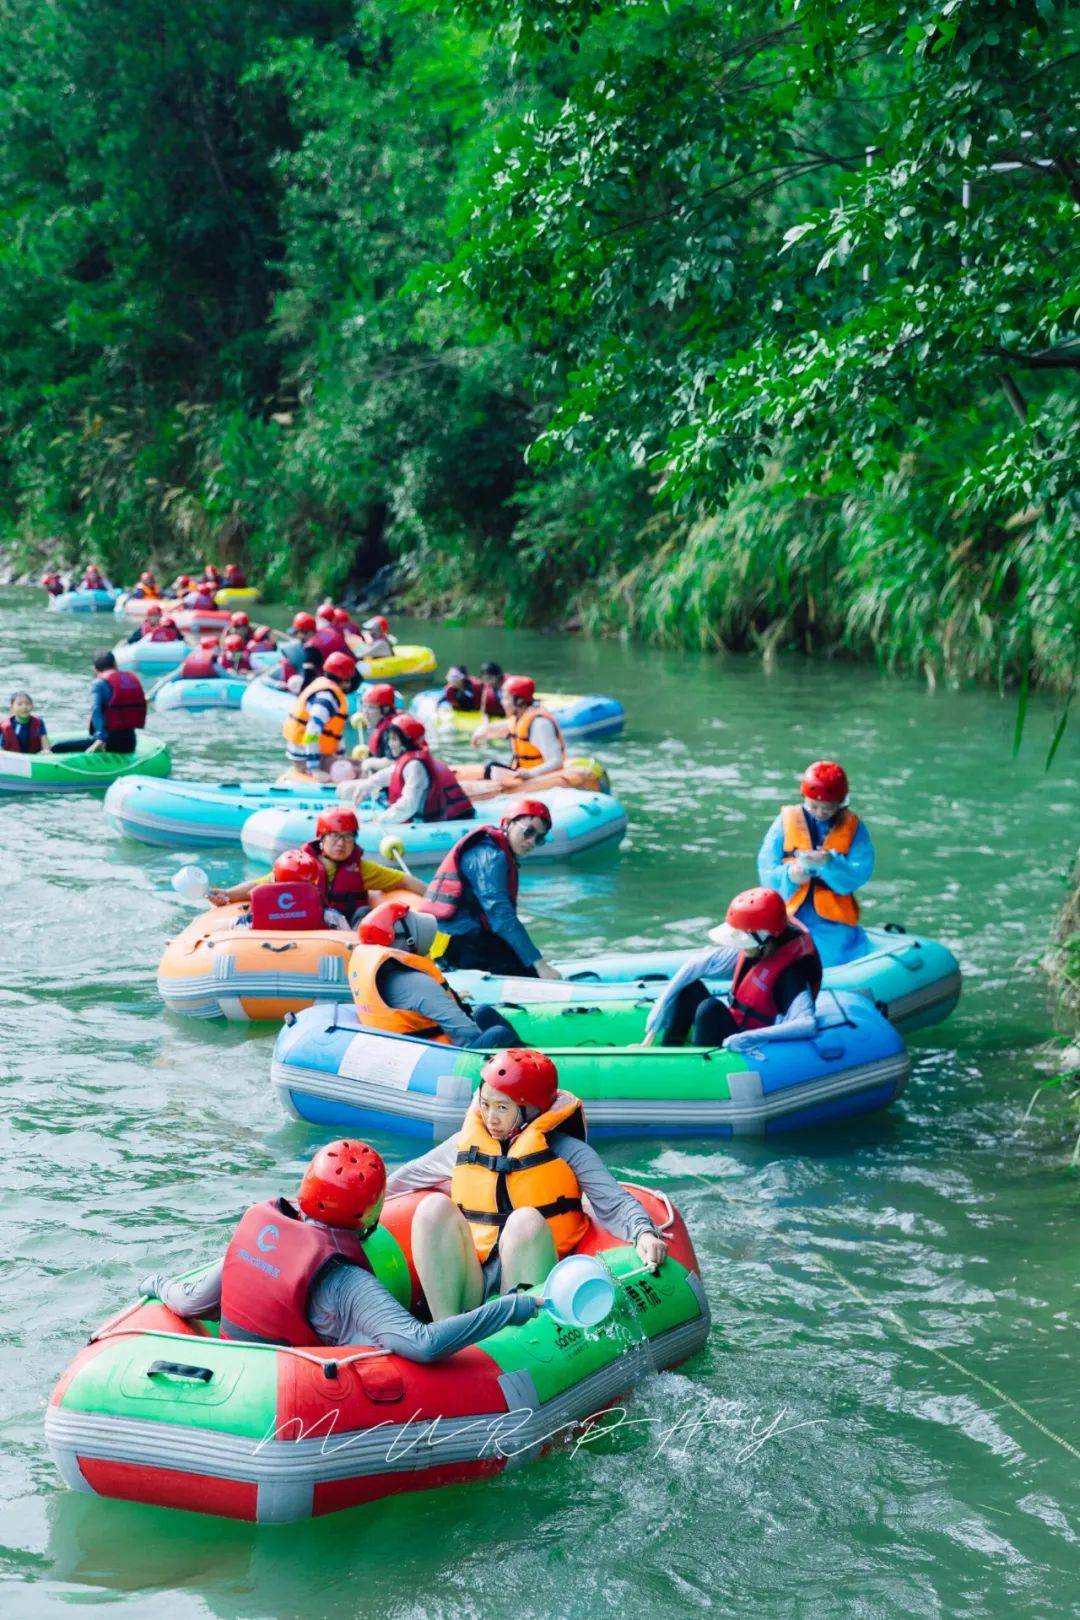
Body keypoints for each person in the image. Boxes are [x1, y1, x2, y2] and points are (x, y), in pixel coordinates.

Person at [138, 1138, 541, 1360]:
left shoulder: (257, 1235)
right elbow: (423, 1343)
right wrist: (512, 1307)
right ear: (369, 1213)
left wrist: (156, 1283)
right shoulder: (346, 1280)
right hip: (291, 1398)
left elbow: (189, 1302)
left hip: (233, 1367)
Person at [386, 1050, 667, 1316]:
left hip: (535, 1277)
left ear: (531, 1110)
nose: (490, 1118)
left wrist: (644, 1233)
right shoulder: (465, 1146)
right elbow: (406, 1178)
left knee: (525, 1221)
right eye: (484, 1104)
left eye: (502, 1108)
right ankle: (445, 1331)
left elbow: (615, 1201)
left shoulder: (568, 1151)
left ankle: (517, 1336)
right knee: (432, 1207)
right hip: (476, 1279)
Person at [641, 887, 821, 1050]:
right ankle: (669, 1050)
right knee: (689, 988)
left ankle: (696, 1066)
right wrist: (662, 1004)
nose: (738, 946)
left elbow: (807, 1024)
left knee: (709, 1010)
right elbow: (698, 964)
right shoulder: (756, 946)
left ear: (764, 940)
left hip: (751, 1039)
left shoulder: (790, 974)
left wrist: (746, 1037)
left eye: (743, 940)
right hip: (737, 1025)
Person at [349, 901, 525, 1048]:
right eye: (411, 921)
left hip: (416, 1045)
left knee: (483, 1012)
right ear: (402, 940)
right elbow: (466, 1034)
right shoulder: (414, 982)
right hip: (442, 1058)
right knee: (499, 1034)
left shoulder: (385, 972)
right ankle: (534, 1063)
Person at [420, 798, 561, 979]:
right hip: (456, 944)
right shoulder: (490, 857)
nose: (532, 841)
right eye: (528, 832)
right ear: (507, 824)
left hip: (472, 937)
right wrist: (540, 965)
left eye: (539, 838)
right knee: (531, 973)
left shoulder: (499, 851)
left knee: (525, 967)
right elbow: (501, 917)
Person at [209, 806, 425, 922]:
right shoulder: (300, 866)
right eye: (335, 837)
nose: (341, 844)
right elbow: (261, 885)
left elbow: (405, 881)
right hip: (309, 925)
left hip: (347, 930)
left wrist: (436, 902)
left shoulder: (363, 869)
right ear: (321, 839)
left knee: (364, 912)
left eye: (348, 838)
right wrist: (227, 894)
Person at [756, 759, 874, 967]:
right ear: (805, 798)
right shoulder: (785, 821)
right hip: (791, 911)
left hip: (833, 921)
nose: (820, 813)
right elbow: (766, 867)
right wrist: (790, 875)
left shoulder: (854, 828)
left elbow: (859, 874)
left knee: (830, 958)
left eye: (827, 808)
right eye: (814, 806)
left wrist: (830, 863)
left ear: (840, 803)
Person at [358, 715, 474, 823]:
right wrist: (365, 786)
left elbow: (408, 806)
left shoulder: (415, 766)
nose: (389, 744)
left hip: (455, 819)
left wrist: (380, 820)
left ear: (407, 741)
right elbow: (388, 774)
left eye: (394, 739)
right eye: (389, 739)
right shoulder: (411, 761)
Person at [470, 674, 564, 781]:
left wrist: (531, 773)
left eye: (506, 698)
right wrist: (479, 733)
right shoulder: (520, 718)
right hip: (523, 772)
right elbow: (501, 728)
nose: (502, 702)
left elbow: (556, 761)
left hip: (539, 778)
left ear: (519, 701)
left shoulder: (540, 724)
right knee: (491, 767)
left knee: (490, 769)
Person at [51, 651, 146, 756]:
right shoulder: (131, 678)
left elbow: (96, 709)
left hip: (108, 743)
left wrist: (101, 739)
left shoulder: (99, 683)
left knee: (57, 747)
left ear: (95, 669)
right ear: (115, 664)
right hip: (130, 742)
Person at [282, 651, 360, 776]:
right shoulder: (327, 698)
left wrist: (341, 757)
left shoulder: (325, 689)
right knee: (358, 772)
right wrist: (314, 768)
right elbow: (312, 731)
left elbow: (335, 733)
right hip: (305, 758)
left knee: (358, 763)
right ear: (346, 680)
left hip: (305, 753)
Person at [355, 683, 401, 774]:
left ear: (385, 709)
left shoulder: (392, 730)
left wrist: (369, 763)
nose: (365, 712)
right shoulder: (381, 726)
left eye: (371, 707)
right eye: (364, 706)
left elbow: (395, 762)